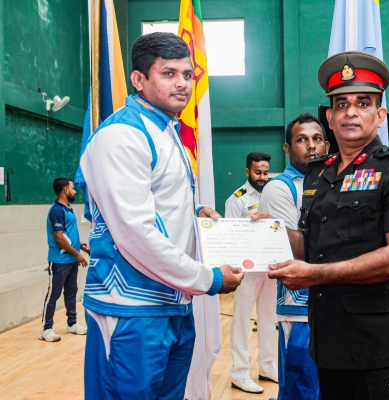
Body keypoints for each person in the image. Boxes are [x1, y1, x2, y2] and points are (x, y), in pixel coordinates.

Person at [79, 32, 243, 400]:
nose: (182, 83)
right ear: (138, 79)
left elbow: (156, 201)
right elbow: (135, 231)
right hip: (131, 307)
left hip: (174, 303)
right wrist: (209, 278)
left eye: (187, 74)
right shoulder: (122, 134)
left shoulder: (166, 130)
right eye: (168, 73)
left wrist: (196, 213)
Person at [266, 51, 389, 399]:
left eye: (363, 103)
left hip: (384, 347)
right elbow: (311, 245)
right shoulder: (319, 172)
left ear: (380, 115)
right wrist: (270, 231)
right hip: (329, 343)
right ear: (330, 116)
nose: (350, 112)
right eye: (341, 104)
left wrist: (315, 274)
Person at [258, 113, 328, 400]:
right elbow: (296, 249)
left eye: (317, 139)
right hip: (300, 309)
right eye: (302, 140)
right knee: (303, 390)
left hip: (338, 302)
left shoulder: (334, 181)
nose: (311, 146)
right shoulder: (279, 188)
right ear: (288, 149)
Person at [226, 152, 277, 394]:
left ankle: (267, 366)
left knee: (268, 318)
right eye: (258, 172)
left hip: (270, 267)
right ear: (248, 172)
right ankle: (239, 373)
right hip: (246, 269)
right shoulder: (237, 199)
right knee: (241, 320)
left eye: (266, 172)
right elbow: (230, 236)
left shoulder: (273, 194)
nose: (262, 177)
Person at [40, 178, 90, 342]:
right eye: (72, 188)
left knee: (71, 291)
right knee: (53, 294)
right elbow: (59, 238)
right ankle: (46, 329)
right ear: (65, 190)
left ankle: (72, 324)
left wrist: (82, 246)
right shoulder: (56, 210)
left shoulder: (68, 209)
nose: (75, 191)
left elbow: (69, 234)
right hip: (59, 260)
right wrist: (77, 254)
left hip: (71, 259)